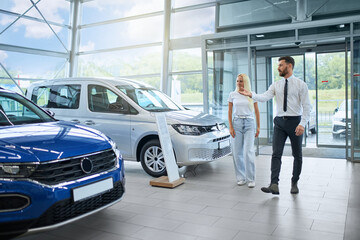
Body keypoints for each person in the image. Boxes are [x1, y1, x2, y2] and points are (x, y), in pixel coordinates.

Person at [239, 56, 311, 195]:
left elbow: (307, 107)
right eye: (278, 65)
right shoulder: (276, 85)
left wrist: (302, 124)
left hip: (295, 122)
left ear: (289, 66)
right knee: (276, 154)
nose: (278, 67)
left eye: (281, 65)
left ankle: (294, 182)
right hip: (279, 122)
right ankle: (274, 184)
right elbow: (264, 97)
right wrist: (251, 94)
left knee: (297, 155)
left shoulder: (301, 85)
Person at [228, 73, 260, 188]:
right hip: (236, 123)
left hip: (249, 124)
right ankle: (241, 178)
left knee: (248, 152)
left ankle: (251, 179)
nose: (238, 83)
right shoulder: (232, 94)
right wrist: (230, 127)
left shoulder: (251, 95)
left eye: (241, 81)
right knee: (237, 152)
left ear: (245, 82)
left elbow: (256, 111)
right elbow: (230, 112)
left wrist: (258, 127)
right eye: (237, 81)